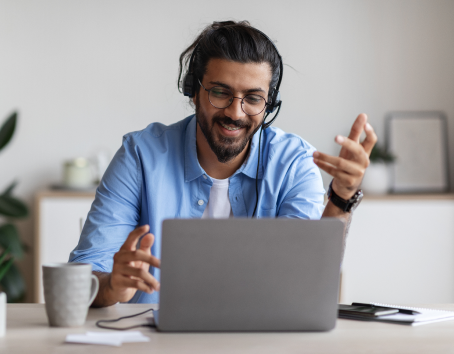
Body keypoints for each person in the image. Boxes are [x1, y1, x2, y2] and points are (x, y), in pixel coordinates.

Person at [69, 20, 377, 307]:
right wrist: (111, 286)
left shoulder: (294, 163)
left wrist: (341, 197)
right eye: (220, 92)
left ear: (270, 104)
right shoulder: (141, 155)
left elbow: (307, 282)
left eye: (253, 98)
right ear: (193, 91)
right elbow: (83, 276)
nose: (236, 112)